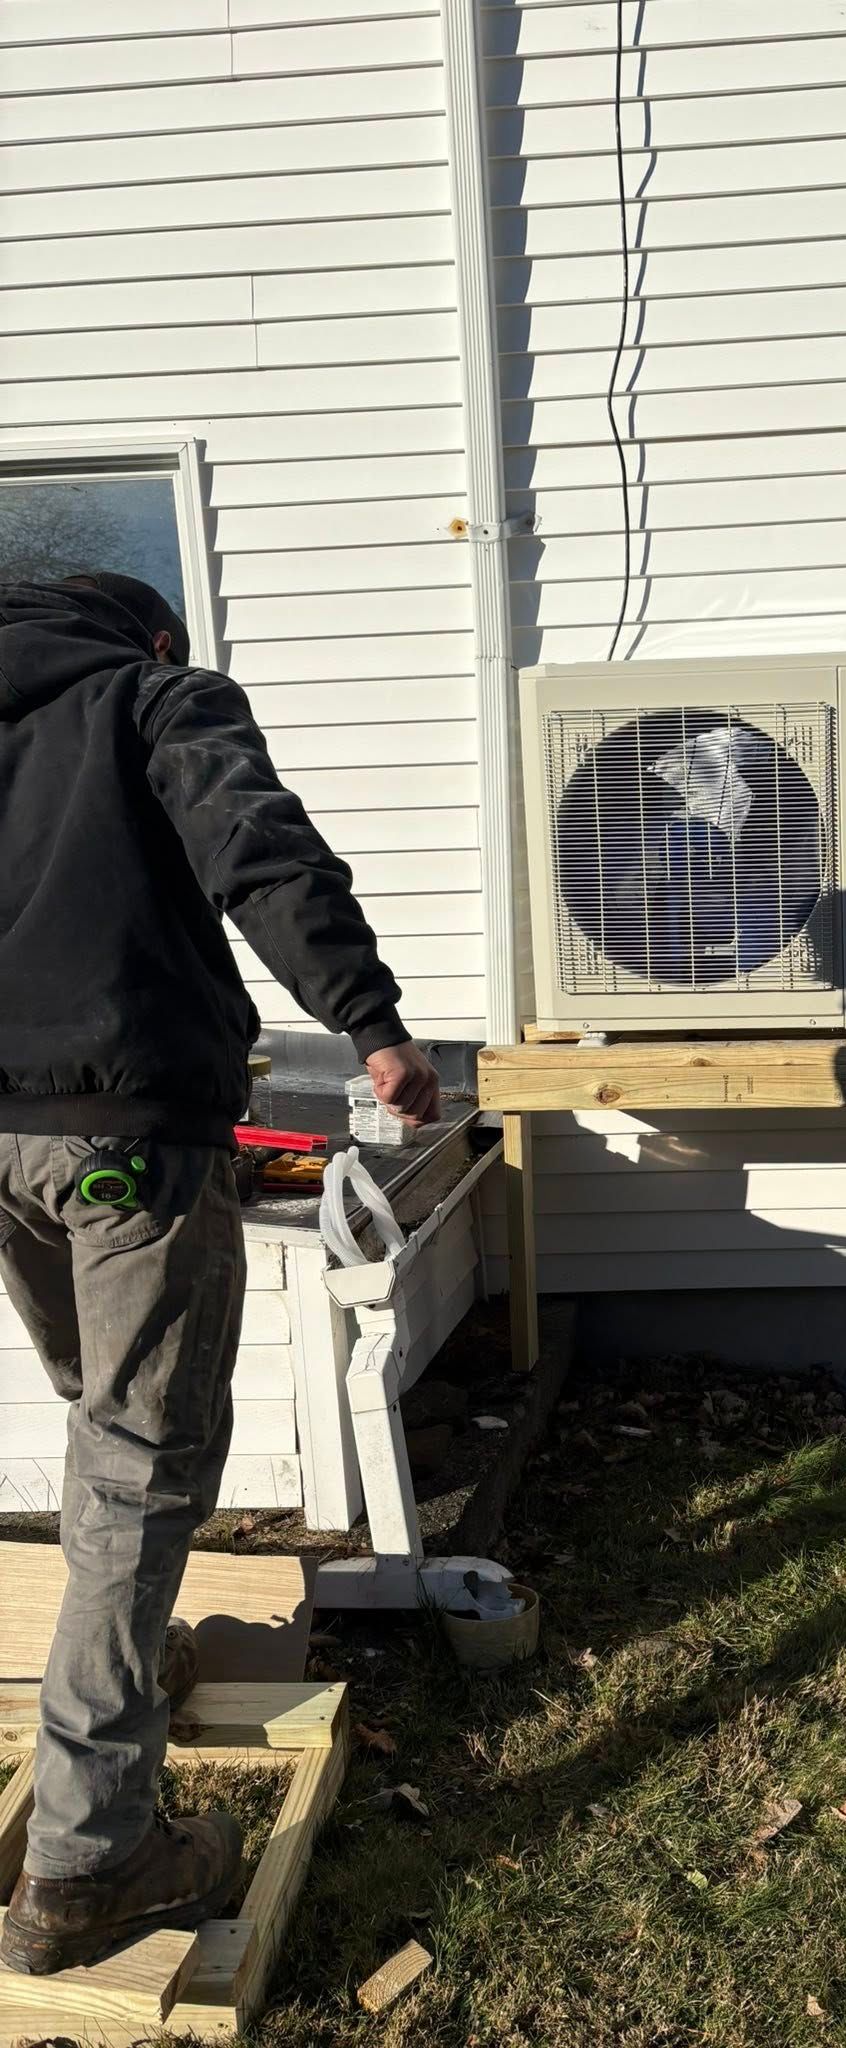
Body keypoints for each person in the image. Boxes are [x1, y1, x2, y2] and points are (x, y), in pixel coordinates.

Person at [0, 573, 440, 1974]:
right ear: (158, 635)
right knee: (143, 1456)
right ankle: (94, 1849)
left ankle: (107, 1680)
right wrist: (371, 1023)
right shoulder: (155, 696)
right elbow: (259, 851)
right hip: (125, 1129)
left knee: (104, 1427)